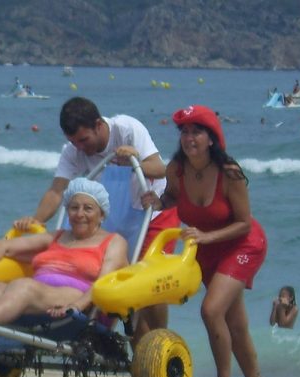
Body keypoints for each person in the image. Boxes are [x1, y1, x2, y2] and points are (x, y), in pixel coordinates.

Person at [13, 96, 179, 342]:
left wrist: (134, 162)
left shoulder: (126, 129)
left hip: (154, 210)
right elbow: (57, 190)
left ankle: (160, 342)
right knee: (119, 288)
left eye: (83, 140)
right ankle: (140, 359)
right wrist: (35, 221)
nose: (80, 147)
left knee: (146, 287)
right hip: (118, 213)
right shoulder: (73, 151)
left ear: (99, 125)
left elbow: (160, 168)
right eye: (73, 142)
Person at [141, 104, 269, 377]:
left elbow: (243, 224)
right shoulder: (176, 170)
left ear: (211, 138)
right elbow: (174, 197)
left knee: (211, 310)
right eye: (184, 132)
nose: (189, 138)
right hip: (206, 248)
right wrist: (158, 202)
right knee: (235, 323)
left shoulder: (230, 173)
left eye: (197, 131)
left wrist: (207, 235)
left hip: (242, 245)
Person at [0, 178, 128, 324]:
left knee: (24, 286)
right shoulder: (56, 237)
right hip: (33, 294)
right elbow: (3, 245)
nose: (79, 214)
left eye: (88, 208)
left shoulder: (113, 241)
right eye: (74, 208)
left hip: (77, 299)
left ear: (102, 215)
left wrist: (76, 306)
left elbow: (103, 282)